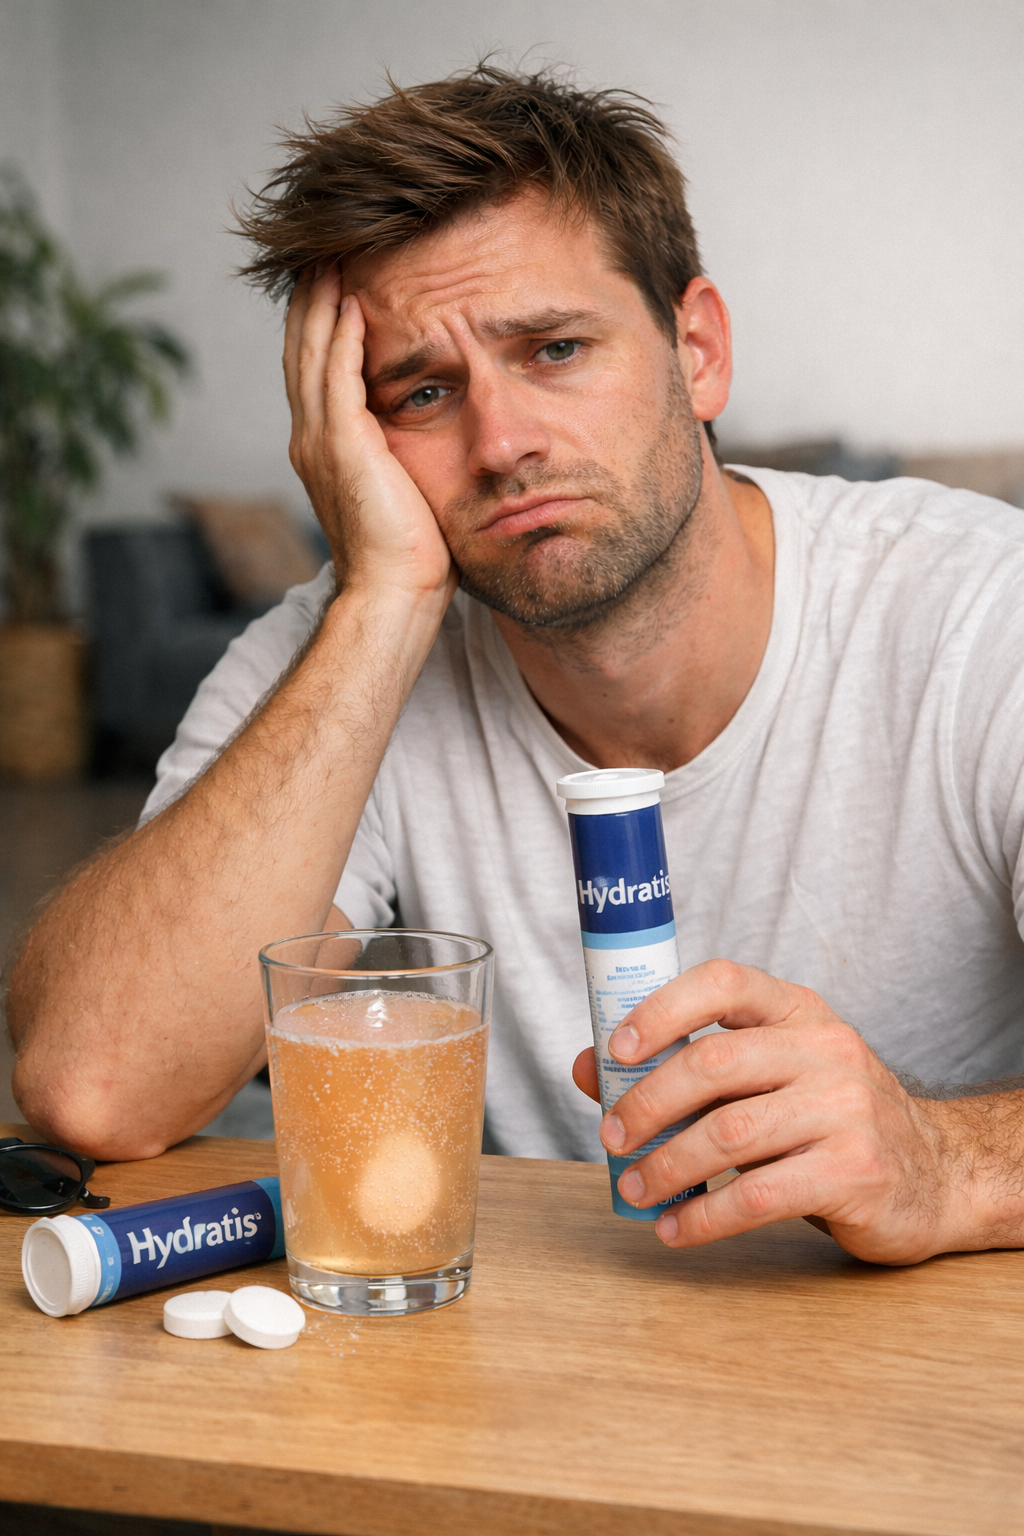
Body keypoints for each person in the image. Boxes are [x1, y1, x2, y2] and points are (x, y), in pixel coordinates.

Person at [8, 67, 1024, 1267]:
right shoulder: (337, 654)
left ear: (695, 351)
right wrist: (383, 597)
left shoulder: (979, 614)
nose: (501, 445)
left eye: (552, 348)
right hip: (527, 1377)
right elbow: (97, 1084)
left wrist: (947, 1160)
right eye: (423, 393)